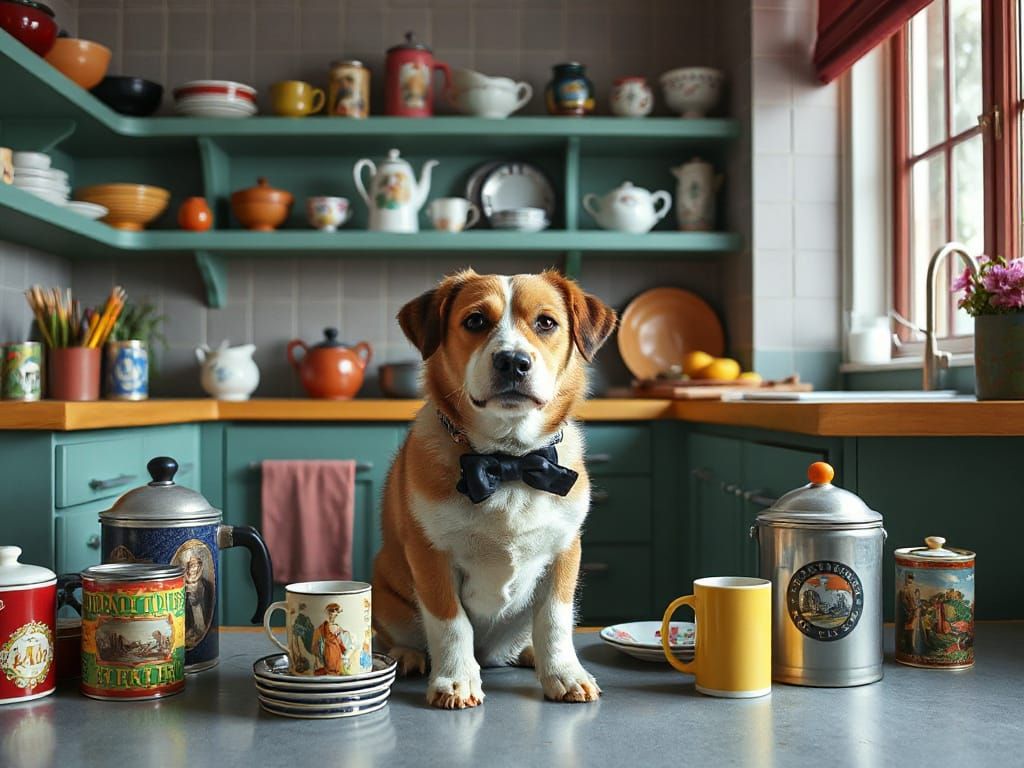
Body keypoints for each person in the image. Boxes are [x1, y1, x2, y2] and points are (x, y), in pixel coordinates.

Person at [182, 551, 215, 649]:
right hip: (186, 614)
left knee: (198, 624)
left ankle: (195, 631)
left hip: (198, 610)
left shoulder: (204, 584)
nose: (192, 569)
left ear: (199, 567)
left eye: (194, 566)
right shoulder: (181, 583)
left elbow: (205, 599)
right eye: (190, 566)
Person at [312, 603, 345, 675]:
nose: (336, 614)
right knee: (330, 666)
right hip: (329, 649)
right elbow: (316, 640)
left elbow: (340, 639)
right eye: (334, 612)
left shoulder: (336, 626)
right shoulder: (323, 626)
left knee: (336, 667)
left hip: (336, 649)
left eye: (337, 612)